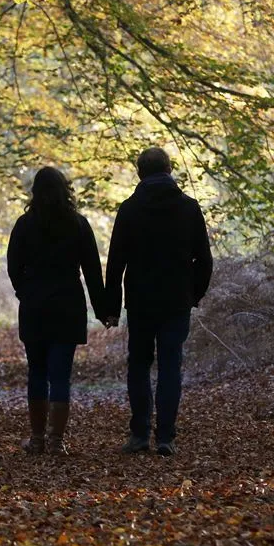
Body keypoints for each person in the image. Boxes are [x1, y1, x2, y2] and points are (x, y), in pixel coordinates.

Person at [104, 147, 212, 456]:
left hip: (140, 300)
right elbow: (204, 259)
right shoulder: (189, 208)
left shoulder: (129, 210)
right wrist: (195, 294)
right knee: (170, 365)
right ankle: (166, 436)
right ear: (169, 169)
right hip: (176, 300)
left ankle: (139, 434)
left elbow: (115, 263)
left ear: (140, 173)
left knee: (138, 364)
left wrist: (110, 307)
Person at [7, 167, 107, 456]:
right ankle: (56, 441)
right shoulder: (78, 224)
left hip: (35, 307)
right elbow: (91, 272)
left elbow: (14, 267)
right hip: (67, 306)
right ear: (66, 190)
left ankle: (37, 438)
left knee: (37, 371)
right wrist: (103, 310)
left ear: (34, 192)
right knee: (61, 375)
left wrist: (25, 292)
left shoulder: (24, 225)